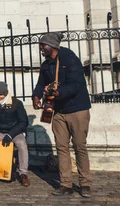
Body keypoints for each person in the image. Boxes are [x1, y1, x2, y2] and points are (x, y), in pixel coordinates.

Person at [32, 32, 92, 197]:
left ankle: (85, 184)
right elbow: (40, 84)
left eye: (42, 46)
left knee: (79, 146)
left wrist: (58, 92)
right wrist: (36, 96)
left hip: (77, 109)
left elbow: (77, 84)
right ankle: (65, 184)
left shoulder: (69, 58)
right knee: (61, 147)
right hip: (58, 111)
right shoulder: (46, 65)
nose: (41, 49)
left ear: (51, 46)